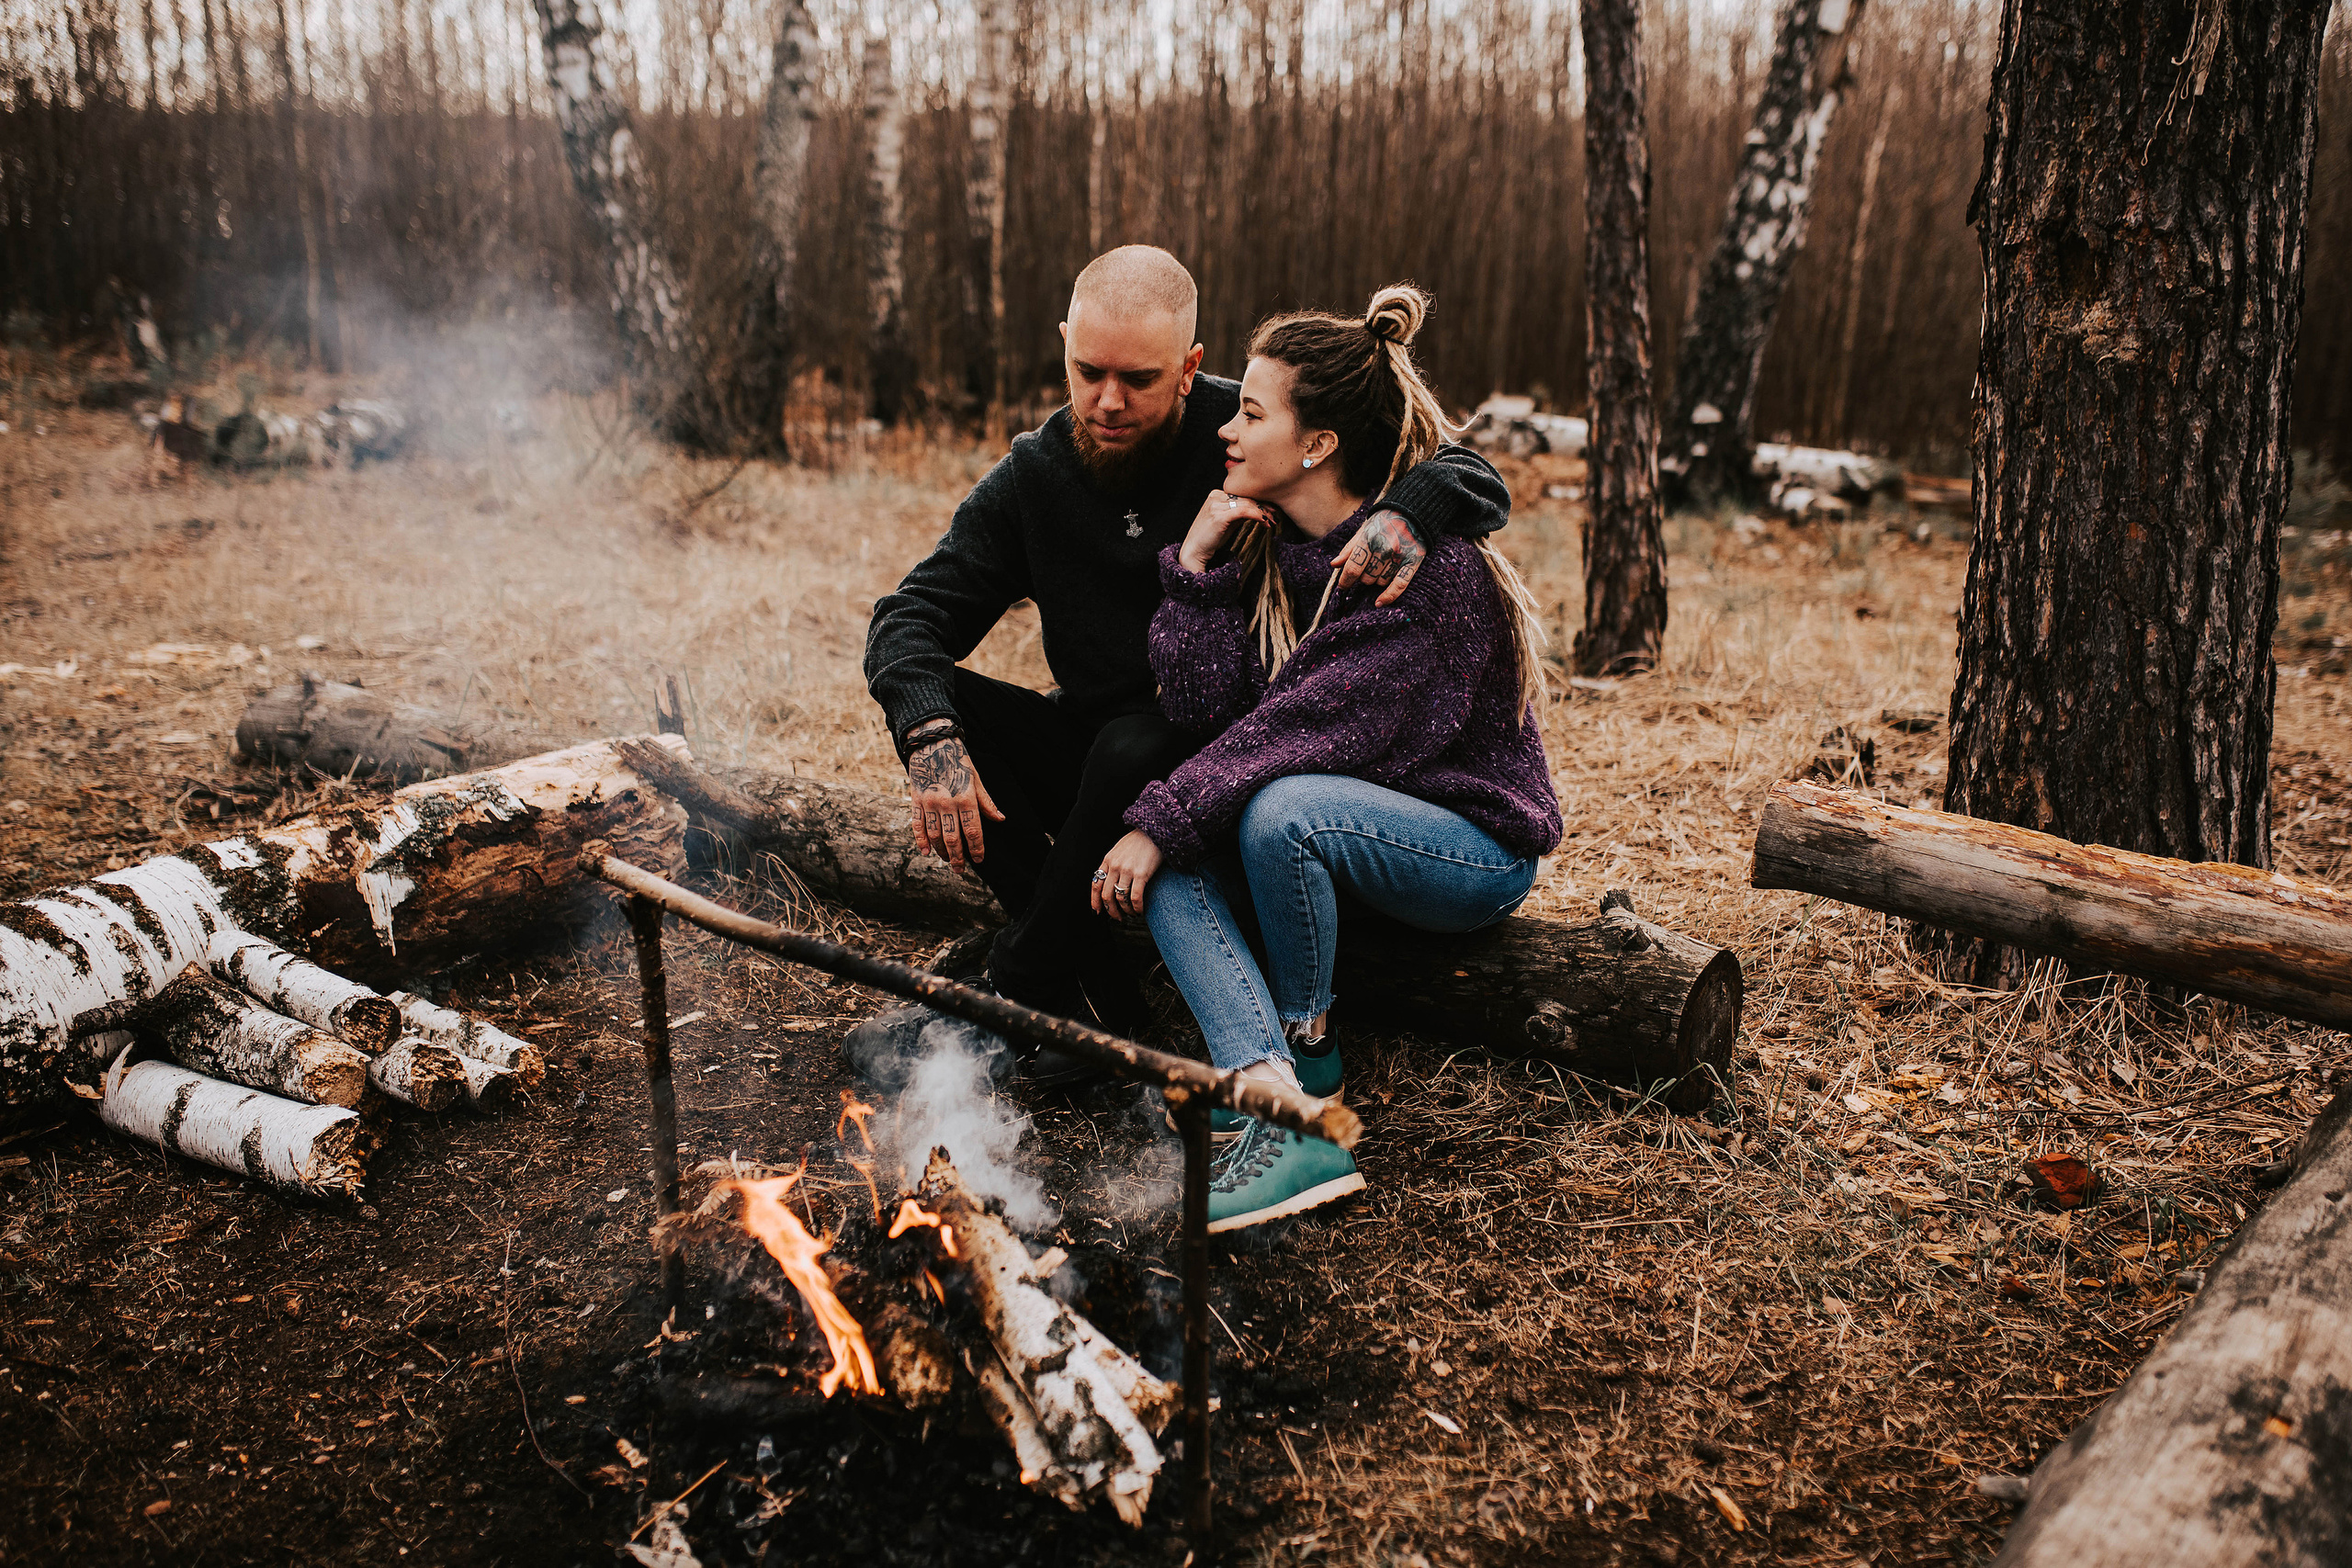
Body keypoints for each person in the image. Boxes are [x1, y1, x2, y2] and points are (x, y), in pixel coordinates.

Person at [863, 247, 1513, 1080]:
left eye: (1138, 378)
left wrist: (1416, 506)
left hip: (1225, 751)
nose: (1107, 400)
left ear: (1190, 366)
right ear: (1063, 343)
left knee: (1135, 742)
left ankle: (1023, 981)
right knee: (946, 700)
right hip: (1106, 761)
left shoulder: (1247, 434)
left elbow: (1448, 458)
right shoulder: (1036, 474)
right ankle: (1082, 993)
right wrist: (930, 734)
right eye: (1086, 369)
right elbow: (909, 615)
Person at [1091, 283, 1562, 1231]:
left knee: (1277, 807)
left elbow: (1296, 736)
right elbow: (1202, 714)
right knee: (1183, 860)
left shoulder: (1420, 575)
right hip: (1341, 834)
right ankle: (1272, 1098)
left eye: (1251, 414)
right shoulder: (1282, 552)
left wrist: (1155, 820)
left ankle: (1308, 1057)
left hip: (1466, 848)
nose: (1226, 430)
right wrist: (1197, 569)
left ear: (1316, 446)